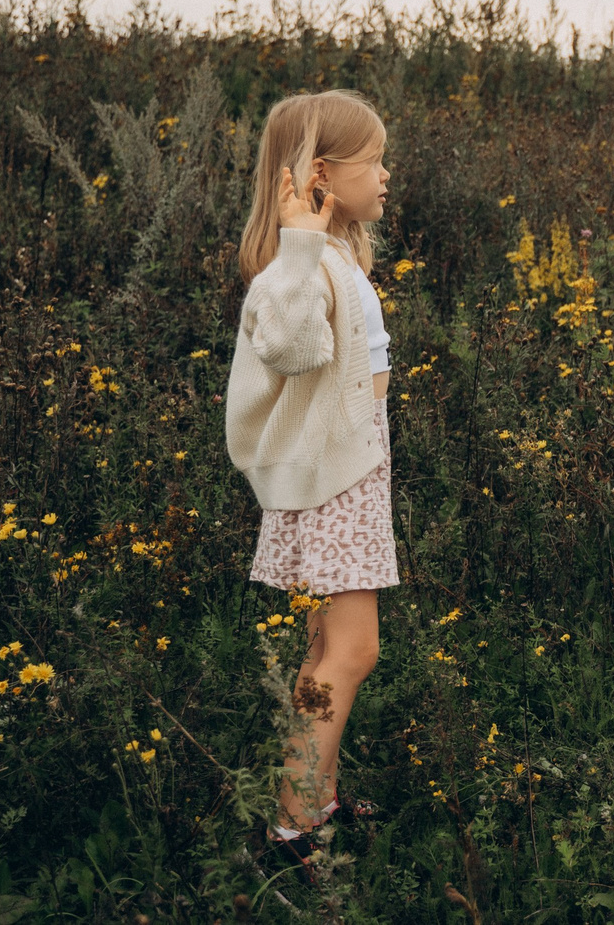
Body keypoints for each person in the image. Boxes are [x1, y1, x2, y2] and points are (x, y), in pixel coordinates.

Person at [226, 90, 403, 863]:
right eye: (375, 161)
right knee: (352, 653)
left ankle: (313, 799)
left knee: (326, 647)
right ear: (323, 173)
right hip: (336, 482)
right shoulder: (292, 268)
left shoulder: (330, 257)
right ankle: (293, 832)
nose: (388, 174)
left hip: (350, 472)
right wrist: (299, 244)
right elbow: (290, 348)